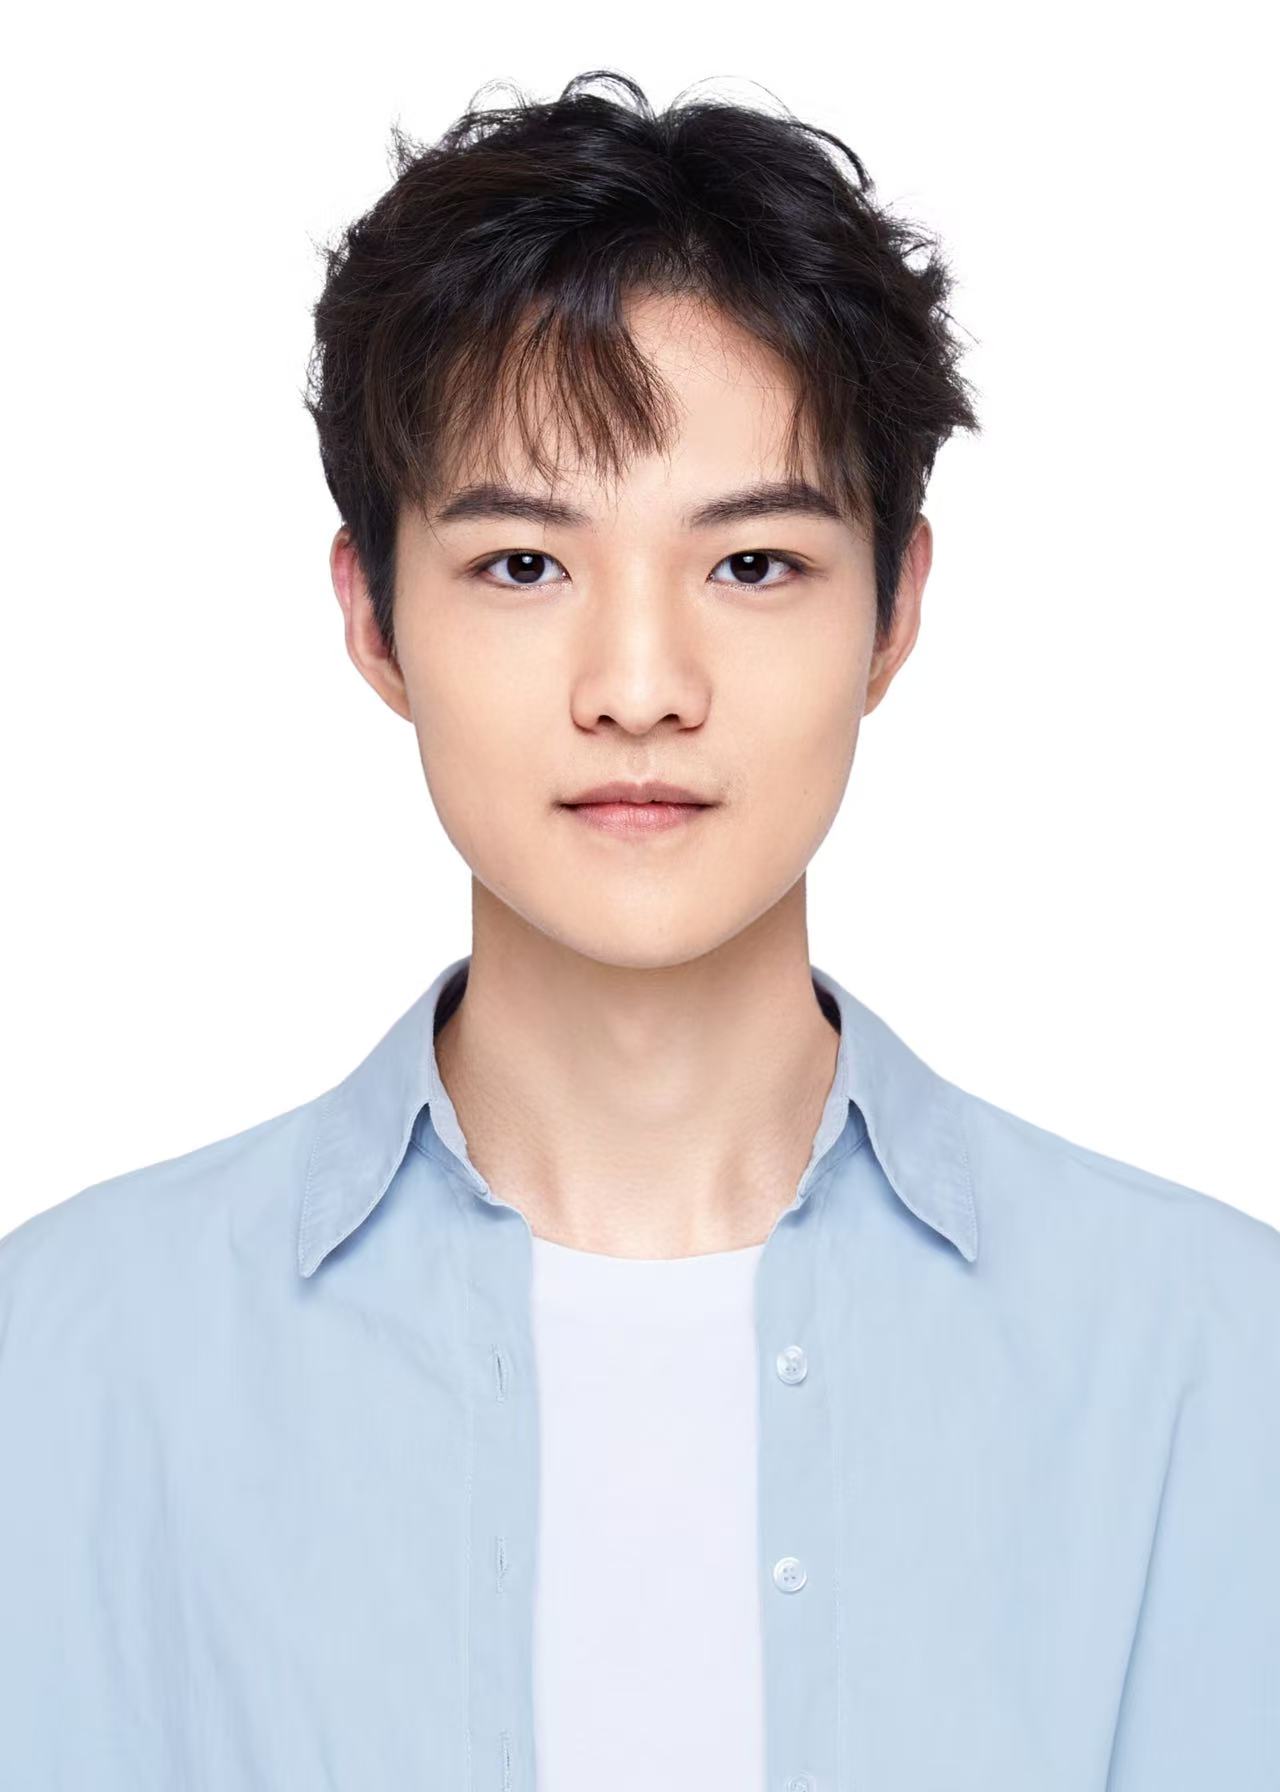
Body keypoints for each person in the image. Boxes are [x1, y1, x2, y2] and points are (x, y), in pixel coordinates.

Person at [1, 68, 1276, 1792]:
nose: (641, 687)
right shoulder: (69, 1361)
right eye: (523, 566)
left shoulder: (1214, 1363)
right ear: (371, 618)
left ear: (896, 608)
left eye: (752, 565)